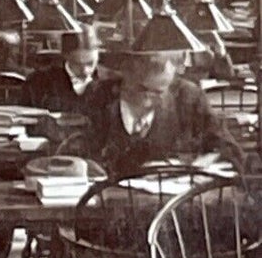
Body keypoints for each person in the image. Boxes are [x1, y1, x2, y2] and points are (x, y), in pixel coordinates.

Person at [79, 51, 233, 176]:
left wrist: (196, 167)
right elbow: (73, 152)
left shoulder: (188, 97)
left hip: (173, 206)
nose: (147, 101)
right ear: (124, 77)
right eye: (141, 90)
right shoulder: (98, 96)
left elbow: (227, 146)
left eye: (158, 93)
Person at [24, 27, 108, 114]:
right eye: (77, 64)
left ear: (97, 56)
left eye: (90, 63)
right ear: (65, 56)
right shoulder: (38, 82)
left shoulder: (111, 82)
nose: (85, 71)